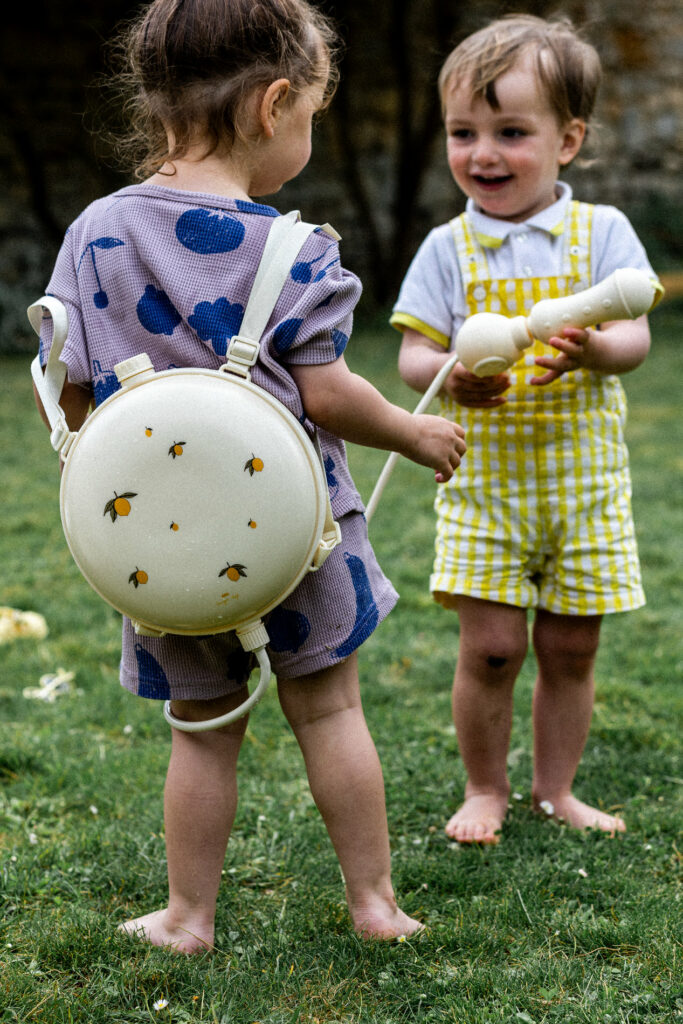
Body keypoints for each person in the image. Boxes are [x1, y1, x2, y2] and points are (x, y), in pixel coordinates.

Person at [33, 0, 466, 951]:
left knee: (202, 726)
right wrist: (412, 432)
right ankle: (375, 906)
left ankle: (188, 916)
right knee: (331, 708)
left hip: (160, 548)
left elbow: (67, 390)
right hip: (295, 534)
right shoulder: (296, 250)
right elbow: (331, 396)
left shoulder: (96, 232)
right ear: (273, 106)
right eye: (310, 114)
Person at [392, 14, 661, 845]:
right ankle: (484, 788)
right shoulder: (447, 247)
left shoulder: (601, 235)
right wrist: (451, 380)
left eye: (511, 132)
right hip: (485, 486)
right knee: (494, 647)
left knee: (571, 646)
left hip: (583, 486)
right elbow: (414, 355)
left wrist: (593, 353)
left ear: (568, 140)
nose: (482, 154)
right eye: (463, 132)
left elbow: (634, 333)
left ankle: (556, 790)